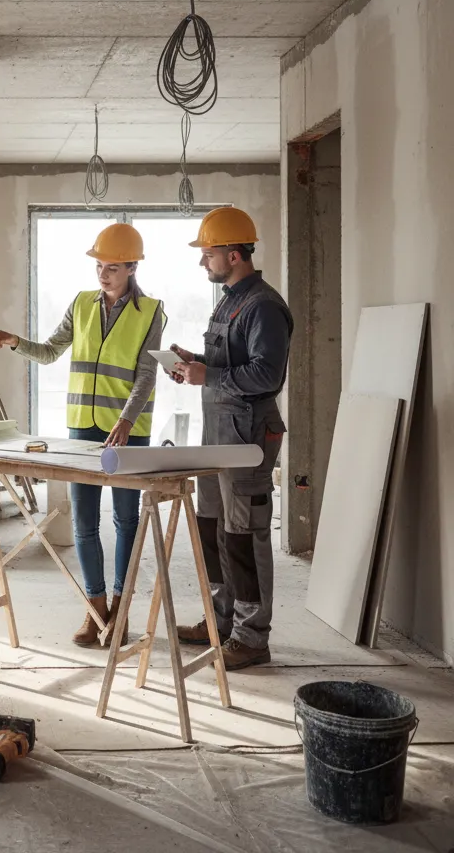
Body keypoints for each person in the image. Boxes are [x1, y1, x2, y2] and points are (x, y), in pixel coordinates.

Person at [0, 223, 165, 647]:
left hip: (128, 432)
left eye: (112, 267)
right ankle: (95, 607)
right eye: (99, 266)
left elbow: (146, 375)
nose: (103, 274)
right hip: (82, 427)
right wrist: (14, 343)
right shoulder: (82, 304)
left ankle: (121, 607)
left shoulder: (151, 311)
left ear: (132, 268)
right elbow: (48, 352)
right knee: (83, 522)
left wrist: (126, 418)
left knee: (126, 521)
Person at [168, 206, 293, 670]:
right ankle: (221, 621)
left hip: (248, 436)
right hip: (219, 436)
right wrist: (194, 362)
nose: (204, 262)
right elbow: (229, 363)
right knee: (212, 529)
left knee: (245, 536)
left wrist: (209, 376)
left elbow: (267, 373)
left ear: (234, 254)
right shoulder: (229, 299)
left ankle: (251, 636)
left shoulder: (263, 305)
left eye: (209, 254)